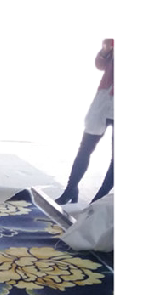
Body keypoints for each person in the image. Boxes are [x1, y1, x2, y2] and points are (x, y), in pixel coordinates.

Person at [56, 39, 114, 205]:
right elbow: (100, 65)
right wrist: (105, 51)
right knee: (85, 148)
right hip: (104, 98)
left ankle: (97, 202)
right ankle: (70, 190)